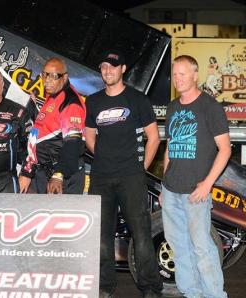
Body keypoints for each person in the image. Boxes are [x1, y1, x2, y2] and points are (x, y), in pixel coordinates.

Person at [84, 49, 162, 298]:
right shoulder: (94, 101)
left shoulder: (138, 99)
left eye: (113, 67)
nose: (108, 71)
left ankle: (150, 287)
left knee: (141, 235)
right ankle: (105, 286)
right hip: (101, 177)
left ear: (123, 69)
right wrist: (106, 157)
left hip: (131, 177)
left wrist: (141, 169)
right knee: (101, 236)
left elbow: (154, 137)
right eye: (104, 67)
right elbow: (89, 136)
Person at [161, 55, 230, 298]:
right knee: (179, 247)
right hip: (171, 190)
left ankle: (214, 295)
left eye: (183, 73)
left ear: (195, 75)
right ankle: (191, 293)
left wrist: (207, 184)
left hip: (196, 192)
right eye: (175, 74)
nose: (178, 79)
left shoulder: (210, 107)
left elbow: (225, 149)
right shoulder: (172, 107)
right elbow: (170, 145)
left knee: (202, 247)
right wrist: (163, 185)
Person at [19, 57, 86, 194]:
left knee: (59, 216)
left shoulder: (70, 103)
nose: (47, 80)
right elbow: (46, 128)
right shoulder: (54, 95)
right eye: (45, 74)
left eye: (54, 76)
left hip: (61, 177)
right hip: (44, 171)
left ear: (65, 77)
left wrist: (58, 175)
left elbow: (73, 143)